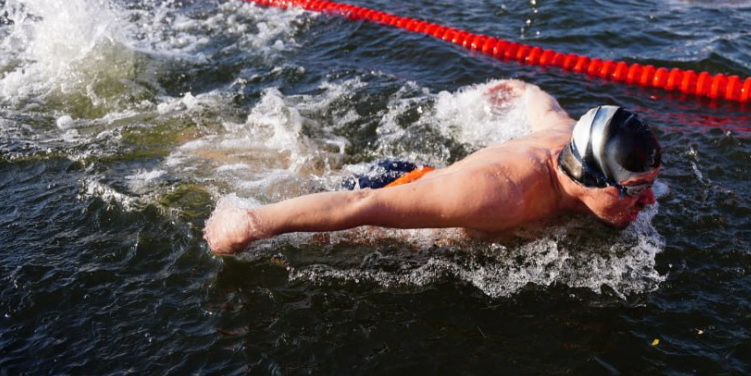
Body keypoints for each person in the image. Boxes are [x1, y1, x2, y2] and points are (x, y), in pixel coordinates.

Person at [203, 80, 664, 255]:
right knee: (291, 185)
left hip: (434, 181)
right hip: (396, 187)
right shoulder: (502, 195)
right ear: (588, 176)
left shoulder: (569, 138)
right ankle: (202, 151)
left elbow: (546, 107)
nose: (647, 200)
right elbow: (362, 204)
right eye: (633, 189)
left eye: (647, 186)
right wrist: (251, 223)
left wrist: (523, 89)